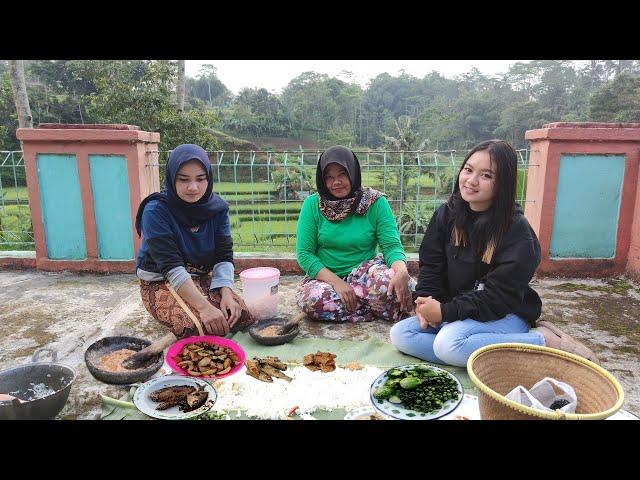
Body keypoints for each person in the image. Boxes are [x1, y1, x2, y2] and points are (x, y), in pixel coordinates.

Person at [390, 139, 599, 366]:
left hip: (505, 313)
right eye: (468, 170)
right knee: (401, 335)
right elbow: (431, 264)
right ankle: (477, 353)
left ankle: (541, 342)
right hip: (459, 309)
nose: (471, 180)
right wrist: (425, 304)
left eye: (486, 175)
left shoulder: (516, 231)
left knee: (448, 344)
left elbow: (497, 297)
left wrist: (444, 312)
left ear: (503, 183)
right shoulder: (447, 214)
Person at [135, 144, 254, 339]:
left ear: (209, 178)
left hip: (199, 276)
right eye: (183, 180)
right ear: (172, 179)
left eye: (200, 179)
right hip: (160, 279)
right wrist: (205, 308)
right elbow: (171, 267)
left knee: (240, 317)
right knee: (196, 329)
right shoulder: (156, 211)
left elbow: (223, 255)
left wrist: (226, 291)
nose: (193, 187)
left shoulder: (217, 209)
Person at [295, 145, 415, 323]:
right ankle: (375, 308)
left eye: (342, 174)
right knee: (312, 301)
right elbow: (305, 254)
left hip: (366, 272)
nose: (336, 182)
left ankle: (358, 303)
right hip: (327, 279)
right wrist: (338, 283)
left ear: (353, 172)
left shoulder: (375, 202)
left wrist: (401, 271)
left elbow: (391, 247)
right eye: (329, 177)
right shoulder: (312, 205)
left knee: (404, 287)